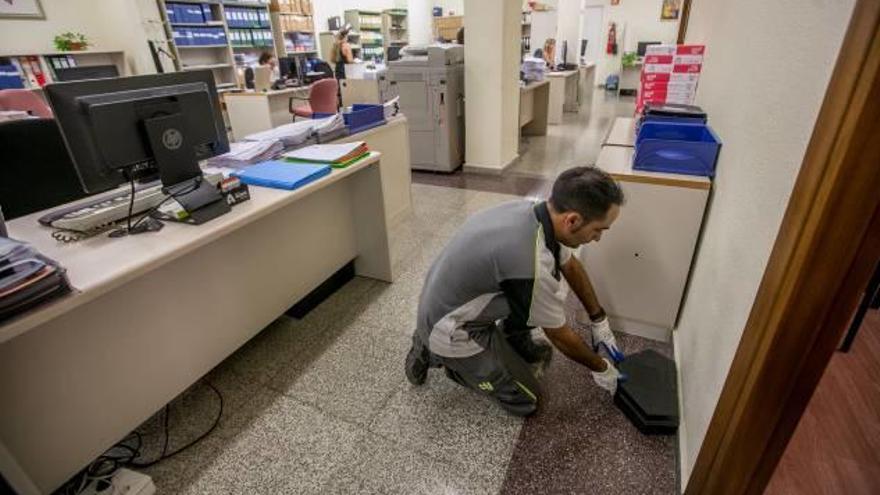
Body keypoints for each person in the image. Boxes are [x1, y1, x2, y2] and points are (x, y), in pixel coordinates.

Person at [405, 166, 626, 417]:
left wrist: (599, 320)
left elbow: (570, 266)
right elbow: (559, 334)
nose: (598, 238)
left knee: (532, 294)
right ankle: (437, 354)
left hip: (446, 300)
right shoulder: (531, 261)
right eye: (599, 229)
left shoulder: (537, 214)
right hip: (452, 328)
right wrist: (601, 367)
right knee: (526, 400)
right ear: (573, 220)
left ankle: (491, 344)